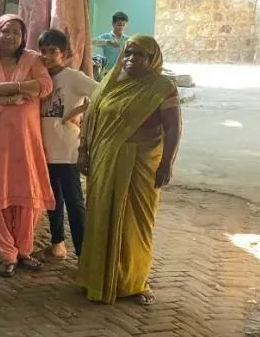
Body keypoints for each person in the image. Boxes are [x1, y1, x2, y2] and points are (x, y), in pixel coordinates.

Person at [76, 34, 182, 305]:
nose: (132, 59)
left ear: (152, 59)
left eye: (140, 54)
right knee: (100, 215)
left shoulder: (161, 87)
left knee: (136, 223)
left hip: (141, 163)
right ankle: (94, 278)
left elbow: (173, 126)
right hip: (105, 158)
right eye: (128, 53)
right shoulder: (111, 80)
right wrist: (83, 150)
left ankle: (134, 282)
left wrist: (167, 163)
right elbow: (91, 115)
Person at [0, 15, 54, 277]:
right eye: (5, 31)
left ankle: (24, 250)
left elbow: (45, 86)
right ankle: (7, 254)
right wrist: (14, 98)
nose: (10, 37)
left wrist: (7, 87)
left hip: (26, 141)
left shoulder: (32, 60)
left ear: (23, 37)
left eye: (16, 32)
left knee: (28, 195)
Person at [38, 29, 98, 259]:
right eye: (43, 51)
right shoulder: (40, 79)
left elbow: (102, 94)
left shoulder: (73, 77)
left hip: (68, 151)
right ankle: (57, 244)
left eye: (53, 51)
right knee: (52, 200)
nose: (47, 56)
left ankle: (83, 254)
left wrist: (78, 111)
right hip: (44, 151)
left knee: (74, 202)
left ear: (63, 53)